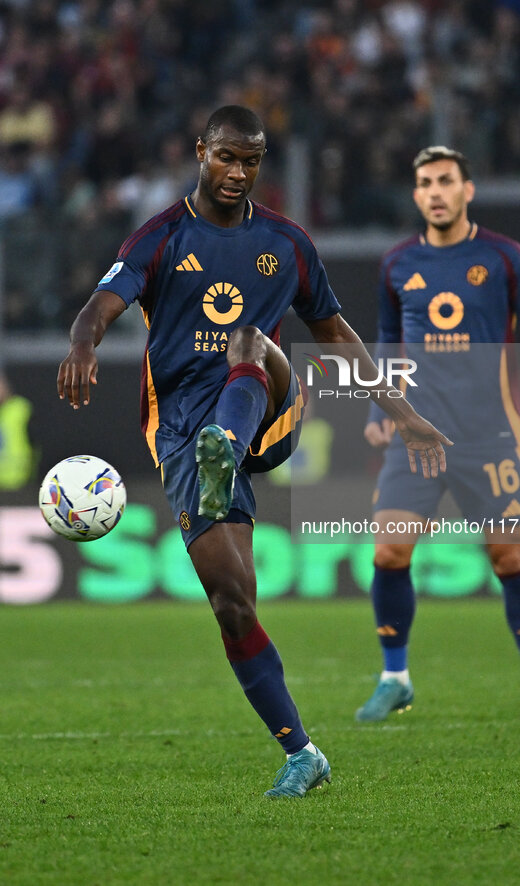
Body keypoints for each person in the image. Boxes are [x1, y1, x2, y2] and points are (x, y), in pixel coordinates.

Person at [57, 106, 451, 798]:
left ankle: (226, 442)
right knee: (232, 602)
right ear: (200, 153)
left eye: (251, 161)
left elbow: (335, 335)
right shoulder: (160, 237)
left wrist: (405, 415)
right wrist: (83, 344)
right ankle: (302, 753)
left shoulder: (287, 244)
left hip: (263, 405)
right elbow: (101, 304)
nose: (238, 173)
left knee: (247, 336)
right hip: (179, 431)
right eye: (226, 158)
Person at [356, 145, 520, 724]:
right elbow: (387, 338)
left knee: (509, 557)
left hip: (489, 435)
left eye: (447, 180)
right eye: (426, 183)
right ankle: (394, 677)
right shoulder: (396, 263)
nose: (437, 191)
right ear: (417, 195)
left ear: (467, 189)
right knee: (389, 551)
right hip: (414, 435)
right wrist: (378, 410)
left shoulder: (504, 257)